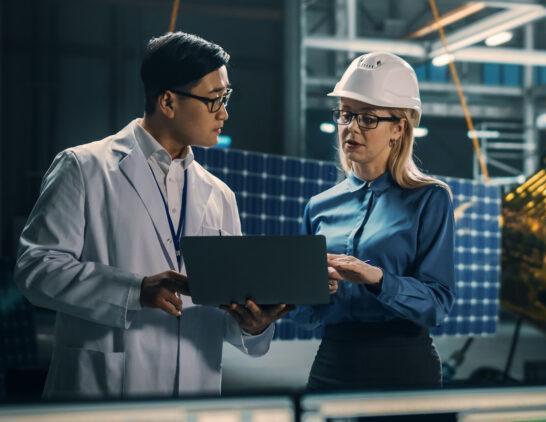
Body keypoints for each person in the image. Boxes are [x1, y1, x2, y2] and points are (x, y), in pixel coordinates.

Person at [14, 32, 288, 399]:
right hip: (104, 390)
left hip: (194, 394)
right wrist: (135, 290)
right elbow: (36, 269)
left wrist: (253, 325)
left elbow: (224, 308)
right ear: (168, 102)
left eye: (226, 98)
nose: (224, 113)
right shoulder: (84, 167)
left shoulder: (219, 195)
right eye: (213, 100)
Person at [292, 52, 456, 390]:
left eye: (367, 118)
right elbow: (306, 316)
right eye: (346, 115)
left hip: (404, 367)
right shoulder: (318, 207)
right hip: (333, 363)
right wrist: (314, 294)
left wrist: (378, 279)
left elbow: (437, 305)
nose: (351, 127)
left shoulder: (429, 199)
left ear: (398, 127)